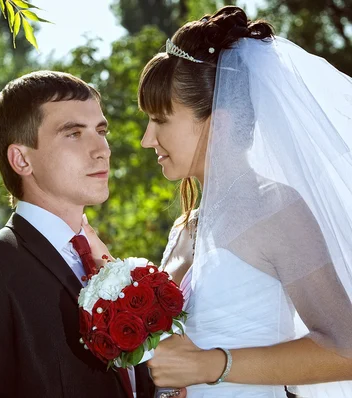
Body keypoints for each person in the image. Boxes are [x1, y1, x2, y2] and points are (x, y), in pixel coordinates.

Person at [84, 6, 352, 398]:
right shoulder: (186, 225)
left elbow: (344, 348)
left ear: (218, 122)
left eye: (160, 119)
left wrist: (212, 365)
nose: (146, 139)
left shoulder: (275, 209)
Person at [0, 71, 155, 397]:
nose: (102, 149)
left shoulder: (104, 262)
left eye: (101, 130)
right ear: (21, 159)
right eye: (74, 134)